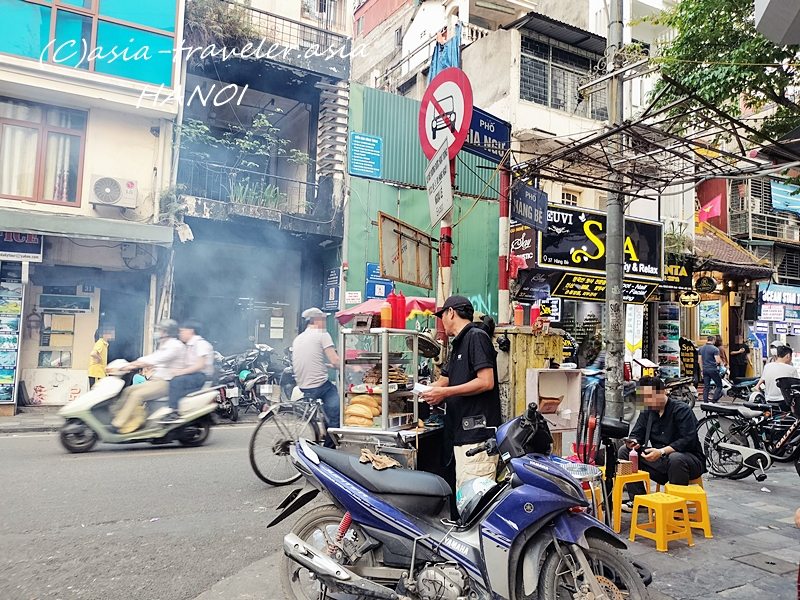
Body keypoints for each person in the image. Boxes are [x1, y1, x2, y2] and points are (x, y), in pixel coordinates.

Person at [421, 295, 501, 492]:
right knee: (463, 496)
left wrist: (445, 393)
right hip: (461, 435)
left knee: (475, 500)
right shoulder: (459, 342)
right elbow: (446, 379)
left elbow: (486, 381)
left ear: (451, 312)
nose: (441, 322)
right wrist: (420, 391)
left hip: (477, 439)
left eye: (442, 316)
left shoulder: (476, 337)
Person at [618, 376, 705, 510]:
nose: (647, 402)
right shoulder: (647, 411)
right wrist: (634, 442)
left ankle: (675, 505)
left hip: (688, 462)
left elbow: (687, 440)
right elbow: (637, 433)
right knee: (625, 451)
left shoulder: (681, 410)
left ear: (662, 392)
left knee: (676, 458)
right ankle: (638, 500)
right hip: (661, 461)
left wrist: (662, 451)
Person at [111, 320, 185, 433]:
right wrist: (131, 364)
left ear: (167, 332)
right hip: (156, 381)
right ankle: (114, 415)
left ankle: (118, 423)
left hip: (166, 383)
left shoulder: (175, 346)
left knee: (137, 395)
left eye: (159, 330)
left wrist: (134, 365)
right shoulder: (164, 345)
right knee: (128, 390)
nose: (157, 332)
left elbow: (156, 359)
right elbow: (151, 357)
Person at [292, 307, 340, 448]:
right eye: (324, 319)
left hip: (303, 385)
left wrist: (328, 366)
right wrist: (351, 366)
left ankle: (325, 431)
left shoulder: (299, 338)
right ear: (318, 320)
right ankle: (328, 452)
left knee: (328, 407)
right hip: (319, 386)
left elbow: (311, 361)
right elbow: (336, 361)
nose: (325, 322)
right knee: (336, 413)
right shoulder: (322, 334)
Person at [159, 320, 214, 424]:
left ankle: (174, 411)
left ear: (191, 331)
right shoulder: (188, 345)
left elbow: (200, 364)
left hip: (201, 376)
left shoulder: (201, 344)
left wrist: (182, 372)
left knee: (176, 382)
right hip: (194, 375)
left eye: (182, 331)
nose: (180, 333)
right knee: (174, 385)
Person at [699, 335, 723, 403]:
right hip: (712, 369)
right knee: (719, 385)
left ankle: (705, 401)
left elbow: (699, 360)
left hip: (705, 369)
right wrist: (722, 365)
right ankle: (713, 400)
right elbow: (718, 361)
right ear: (713, 340)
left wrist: (701, 370)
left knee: (706, 386)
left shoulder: (701, 348)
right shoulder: (715, 349)